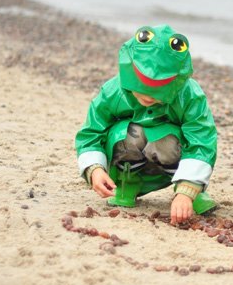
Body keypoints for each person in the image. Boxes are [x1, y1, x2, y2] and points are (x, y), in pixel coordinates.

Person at [75, 24, 217, 224]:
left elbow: (202, 141)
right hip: (127, 155)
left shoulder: (189, 95)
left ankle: (189, 188)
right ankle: (127, 184)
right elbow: (91, 132)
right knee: (124, 133)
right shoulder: (113, 91)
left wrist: (187, 191)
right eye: (142, 88)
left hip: (172, 156)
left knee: (171, 139)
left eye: (157, 91)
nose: (148, 96)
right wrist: (94, 169)